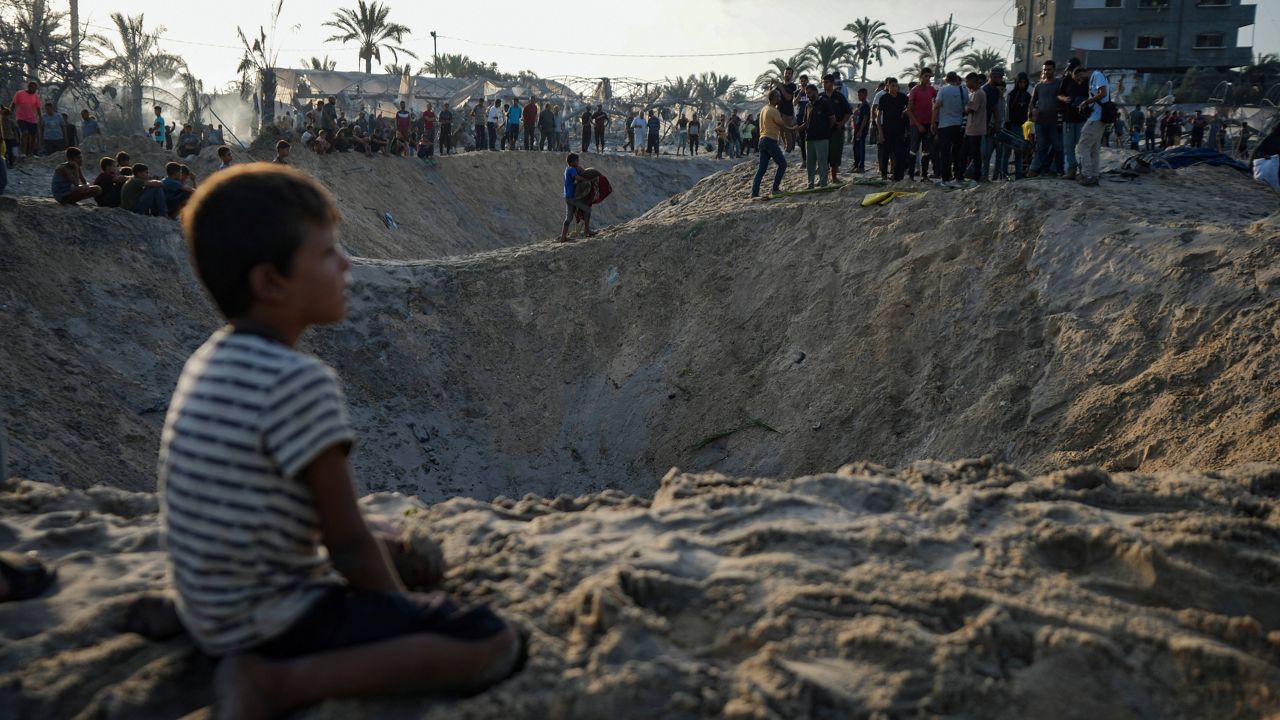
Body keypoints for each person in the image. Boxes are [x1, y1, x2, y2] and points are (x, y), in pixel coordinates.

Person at [165, 165, 522, 717]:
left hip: (208, 607)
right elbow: (347, 543)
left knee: (389, 542)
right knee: (488, 639)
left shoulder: (209, 360)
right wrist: (401, 618)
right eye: (329, 253)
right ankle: (274, 685)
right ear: (271, 281)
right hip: (271, 621)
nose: (346, 263)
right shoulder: (298, 381)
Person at [751, 89, 790, 198]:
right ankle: (775, 188)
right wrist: (794, 128)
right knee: (782, 164)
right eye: (778, 97)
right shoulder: (774, 111)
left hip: (762, 140)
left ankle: (754, 193)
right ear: (773, 98)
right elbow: (783, 126)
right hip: (770, 140)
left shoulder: (764, 109)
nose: (780, 99)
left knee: (762, 168)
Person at [1073, 65, 1108, 187]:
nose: (1079, 82)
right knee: (1094, 148)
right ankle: (1094, 175)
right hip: (1098, 117)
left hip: (1096, 118)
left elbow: (1103, 93)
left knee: (1083, 145)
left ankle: (1087, 174)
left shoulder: (1097, 75)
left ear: (1081, 74)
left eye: (1078, 79)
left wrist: (1086, 102)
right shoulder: (1094, 78)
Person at [932, 71, 967, 186]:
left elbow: (936, 107)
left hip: (945, 125)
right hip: (959, 125)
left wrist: (933, 123)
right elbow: (966, 106)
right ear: (956, 79)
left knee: (945, 153)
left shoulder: (943, 90)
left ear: (946, 80)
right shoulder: (963, 90)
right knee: (957, 153)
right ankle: (959, 176)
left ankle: (946, 178)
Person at [1028, 61, 1059, 177]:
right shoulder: (1039, 86)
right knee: (1041, 147)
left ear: (1054, 70)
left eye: (1049, 69)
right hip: (1041, 122)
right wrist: (1033, 110)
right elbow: (1031, 103)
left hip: (1055, 122)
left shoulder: (1059, 84)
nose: (1046, 72)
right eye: (1045, 69)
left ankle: (1053, 169)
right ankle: (1041, 170)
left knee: (1056, 146)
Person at [906, 67, 938, 181]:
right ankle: (911, 175)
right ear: (921, 76)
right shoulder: (914, 90)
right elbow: (909, 110)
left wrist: (933, 122)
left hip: (928, 123)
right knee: (913, 150)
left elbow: (938, 100)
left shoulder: (931, 89)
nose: (928, 79)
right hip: (916, 125)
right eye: (926, 76)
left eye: (929, 77)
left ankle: (924, 176)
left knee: (926, 151)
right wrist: (918, 125)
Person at [877, 77, 909, 182]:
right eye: (892, 86)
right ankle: (883, 174)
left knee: (899, 154)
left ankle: (897, 176)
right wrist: (880, 133)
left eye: (896, 86)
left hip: (899, 130)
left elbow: (910, 109)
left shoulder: (903, 97)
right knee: (885, 154)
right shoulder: (883, 98)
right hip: (886, 130)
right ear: (888, 86)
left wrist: (905, 113)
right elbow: (878, 116)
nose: (894, 88)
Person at [801, 84, 833, 188]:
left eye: (809, 93)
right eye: (806, 93)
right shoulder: (807, 105)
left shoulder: (824, 102)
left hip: (822, 138)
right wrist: (794, 128)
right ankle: (810, 184)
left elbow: (832, 119)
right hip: (809, 138)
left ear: (815, 92)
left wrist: (826, 131)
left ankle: (823, 183)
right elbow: (805, 122)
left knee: (822, 162)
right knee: (810, 163)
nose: (808, 95)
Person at [1001, 72, 1031, 180]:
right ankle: (1004, 175)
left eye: (1024, 82)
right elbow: (1007, 110)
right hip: (1011, 126)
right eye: (1020, 82)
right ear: (1017, 82)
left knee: (1019, 153)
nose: (1022, 84)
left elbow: (1029, 113)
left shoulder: (1028, 96)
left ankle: (1019, 176)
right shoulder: (1011, 95)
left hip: (1023, 127)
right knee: (1007, 153)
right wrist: (1008, 123)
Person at [822, 74, 851, 184]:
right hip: (823, 131)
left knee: (835, 154)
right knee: (823, 154)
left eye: (827, 82)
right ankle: (823, 178)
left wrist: (841, 123)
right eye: (823, 82)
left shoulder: (839, 96)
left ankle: (833, 177)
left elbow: (848, 112)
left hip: (837, 130)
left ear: (832, 83)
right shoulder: (821, 97)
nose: (824, 84)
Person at [561, 152, 594, 241]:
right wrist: (587, 179)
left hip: (567, 197)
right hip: (572, 197)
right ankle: (587, 231)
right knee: (587, 210)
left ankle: (563, 237)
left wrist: (579, 169)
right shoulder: (572, 169)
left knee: (569, 217)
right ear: (572, 162)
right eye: (577, 161)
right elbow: (577, 178)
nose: (578, 162)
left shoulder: (567, 169)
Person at [962, 72, 987, 181]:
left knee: (974, 154)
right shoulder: (975, 93)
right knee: (967, 153)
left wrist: (965, 105)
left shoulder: (978, 94)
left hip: (975, 128)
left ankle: (976, 177)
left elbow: (969, 109)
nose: (967, 84)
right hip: (972, 128)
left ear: (973, 81)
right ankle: (967, 175)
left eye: (968, 81)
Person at [12, 81, 42, 159]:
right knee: (25, 133)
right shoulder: (19, 93)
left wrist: (40, 118)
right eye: (32, 87)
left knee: (33, 136)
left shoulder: (36, 96)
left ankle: (31, 153)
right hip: (21, 118)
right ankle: (23, 152)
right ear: (28, 87)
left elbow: (38, 108)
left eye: (35, 88)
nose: (34, 89)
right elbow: (13, 104)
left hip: (32, 119)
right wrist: (10, 113)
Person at [775, 67, 798, 152]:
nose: (787, 75)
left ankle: (789, 148)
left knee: (787, 130)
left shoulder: (792, 86)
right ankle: (786, 147)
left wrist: (780, 87)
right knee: (781, 131)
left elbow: (788, 97)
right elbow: (772, 96)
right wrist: (771, 85)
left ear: (792, 75)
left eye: (789, 73)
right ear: (783, 74)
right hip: (779, 112)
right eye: (786, 73)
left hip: (787, 112)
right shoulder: (780, 85)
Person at [851, 87, 870, 173]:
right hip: (857, 129)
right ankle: (856, 165)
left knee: (861, 149)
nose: (859, 96)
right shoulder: (860, 105)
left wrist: (860, 131)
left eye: (860, 95)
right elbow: (856, 118)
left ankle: (861, 166)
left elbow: (865, 119)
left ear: (865, 95)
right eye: (858, 95)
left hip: (861, 131)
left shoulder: (866, 105)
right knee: (856, 148)